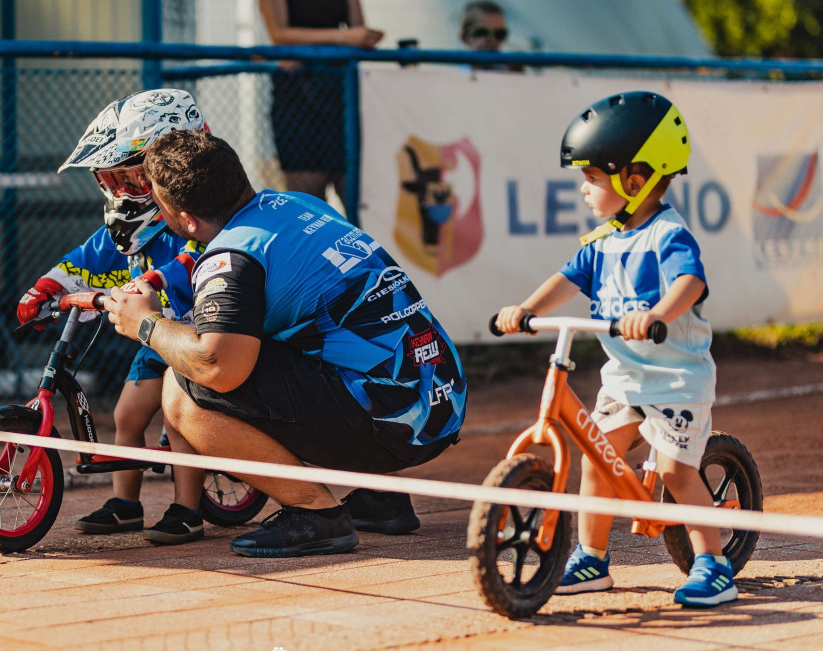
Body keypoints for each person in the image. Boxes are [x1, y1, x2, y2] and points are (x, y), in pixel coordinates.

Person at [104, 129, 467, 558]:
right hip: (443, 397)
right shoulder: (298, 204)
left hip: (399, 423)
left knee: (184, 389)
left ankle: (316, 514)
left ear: (184, 220)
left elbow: (217, 367)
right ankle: (381, 499)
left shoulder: (230, 258)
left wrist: (145, 323)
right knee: (301, 341)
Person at [493, 91, 737, 607]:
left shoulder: (668, 235)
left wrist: (656, 315)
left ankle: (713, 564)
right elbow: (567, 278)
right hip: (626, 377)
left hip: (677, 378)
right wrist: (525, 308)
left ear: (635, 179)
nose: (584, 189)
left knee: (674, 471)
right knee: (596, 459)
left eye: (592, 178)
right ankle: (591, 558)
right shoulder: (603, 240)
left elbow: (689, 282)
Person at [16, 89, 209, 546]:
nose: (122, 192)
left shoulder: (192, 216)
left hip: (196, 339)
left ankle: (188, 510)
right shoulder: (123, 227)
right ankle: (126, 504)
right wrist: (45, 287)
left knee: (180, 420)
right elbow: (83, 260)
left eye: (135, 180)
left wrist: (158, 281)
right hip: (153, 339)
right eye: (112, 181)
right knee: (126, 416)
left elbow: (195, 256)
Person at [259, 0, 384, 203]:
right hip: (299, 99)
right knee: (309, 208)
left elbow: (360, 31)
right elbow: (279, 35)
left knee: (362, 205)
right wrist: (343, 38)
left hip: (340, 96)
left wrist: (356, 37)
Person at [459, 1, 521, 72]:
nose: (491, 39)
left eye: (499, 33)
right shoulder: (456, 76)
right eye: (482, 32)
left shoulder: (510, 72)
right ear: (465, 37)